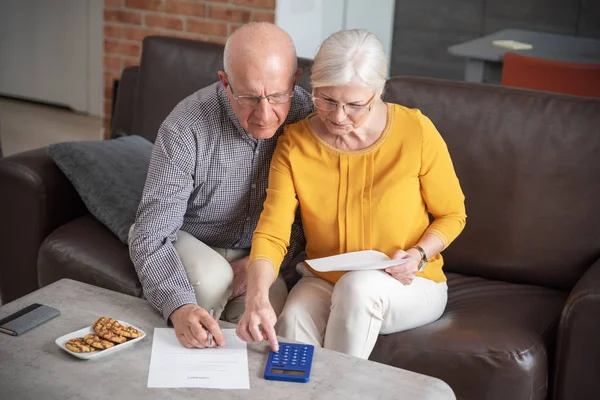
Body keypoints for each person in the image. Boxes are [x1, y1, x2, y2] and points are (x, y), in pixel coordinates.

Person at [236, 29, 467, 359]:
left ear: (377, 93)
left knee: (357, 288)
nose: (339, 117)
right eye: (326, 100)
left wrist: (419, 254)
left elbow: (453, 214)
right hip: (323, 281)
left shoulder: (416, 131)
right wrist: (257, 297)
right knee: (294, 319)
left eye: (355, 105)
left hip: (409, 283)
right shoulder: (295, 142)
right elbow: (273, 232)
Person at [129, 23, 314, 349]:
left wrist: (260, 263)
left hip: (263, 250)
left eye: (277, 96)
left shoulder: (311, 121)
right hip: (189, 238)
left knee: (272, 321)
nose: (265, 115)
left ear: (294, 81)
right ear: (225, 82)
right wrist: (179, 307)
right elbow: (153, 234)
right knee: (214, 280)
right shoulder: (185, 127)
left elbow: (308, 220)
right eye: (248, 97)